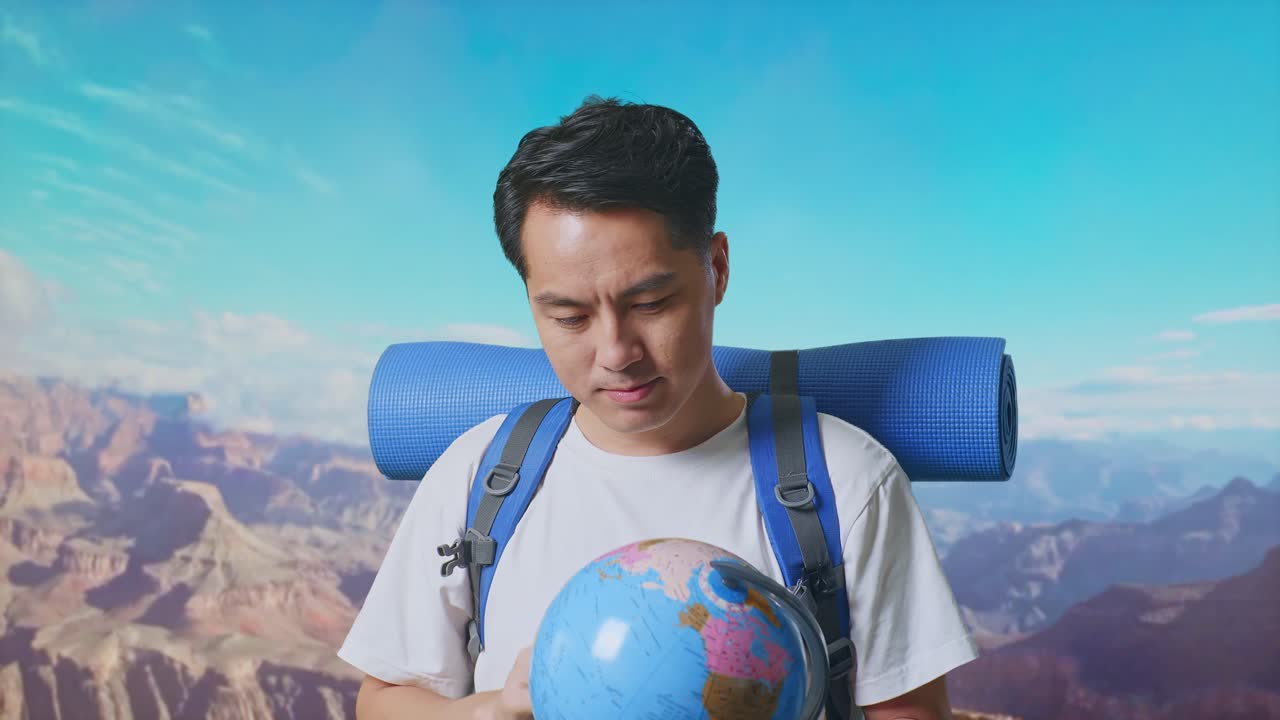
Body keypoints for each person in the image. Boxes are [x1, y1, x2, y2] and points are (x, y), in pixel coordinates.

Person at [338, 95, 979, 720]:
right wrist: (493, 711)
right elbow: (384, 699)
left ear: (718, 269)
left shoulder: (846, 481)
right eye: (569, 315)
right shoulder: (480, 474)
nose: (616, 352)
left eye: (650, 304)